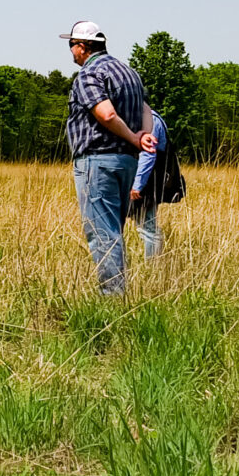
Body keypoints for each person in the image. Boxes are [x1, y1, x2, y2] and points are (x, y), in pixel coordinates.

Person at [61, 21, 157, 295]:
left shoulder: (89, 74)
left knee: (103, 232)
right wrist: (143, 136)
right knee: (114, 228)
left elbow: (106, 115)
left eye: (71, 46)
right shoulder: (129, 73)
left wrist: (133, 137)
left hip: (97, 161)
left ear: (83, 46)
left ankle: (112, 299)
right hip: (127, 162)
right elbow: (145, 108)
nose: (71, 53)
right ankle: (117, 292)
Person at [128, 112, 170, 259]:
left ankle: (152, 268)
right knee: (145, 225)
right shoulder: (150, 117)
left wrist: (137, 185)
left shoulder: (148, 119)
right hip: (149, 179)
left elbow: (148, 154)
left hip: (147, 181)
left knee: (147, 228)